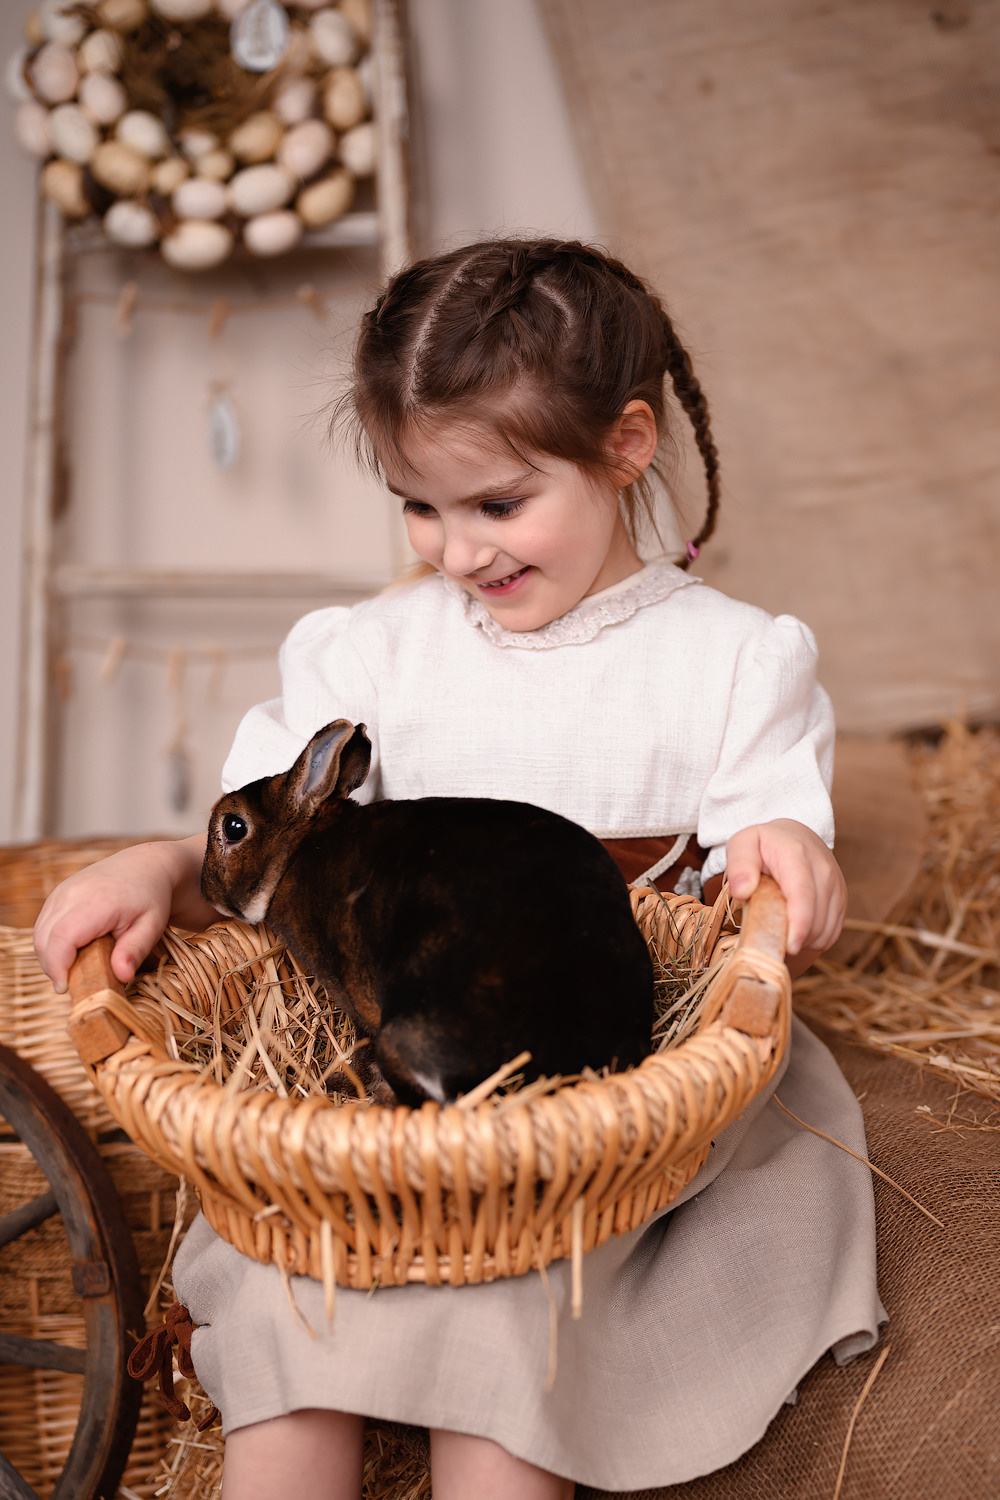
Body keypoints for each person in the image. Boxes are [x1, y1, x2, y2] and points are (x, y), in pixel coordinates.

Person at [34, 239, 882, 1500]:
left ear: (625, 447)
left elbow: (769, 870)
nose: (456, 552)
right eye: (418, 508)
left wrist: (788, 849)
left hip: (606, 1102)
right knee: (297, 1312)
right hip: (394, 1104)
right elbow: (268, 842)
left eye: (497, 505)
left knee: (507, 1335)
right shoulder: (371, 654)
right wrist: (165, 868)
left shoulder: (729, 663)